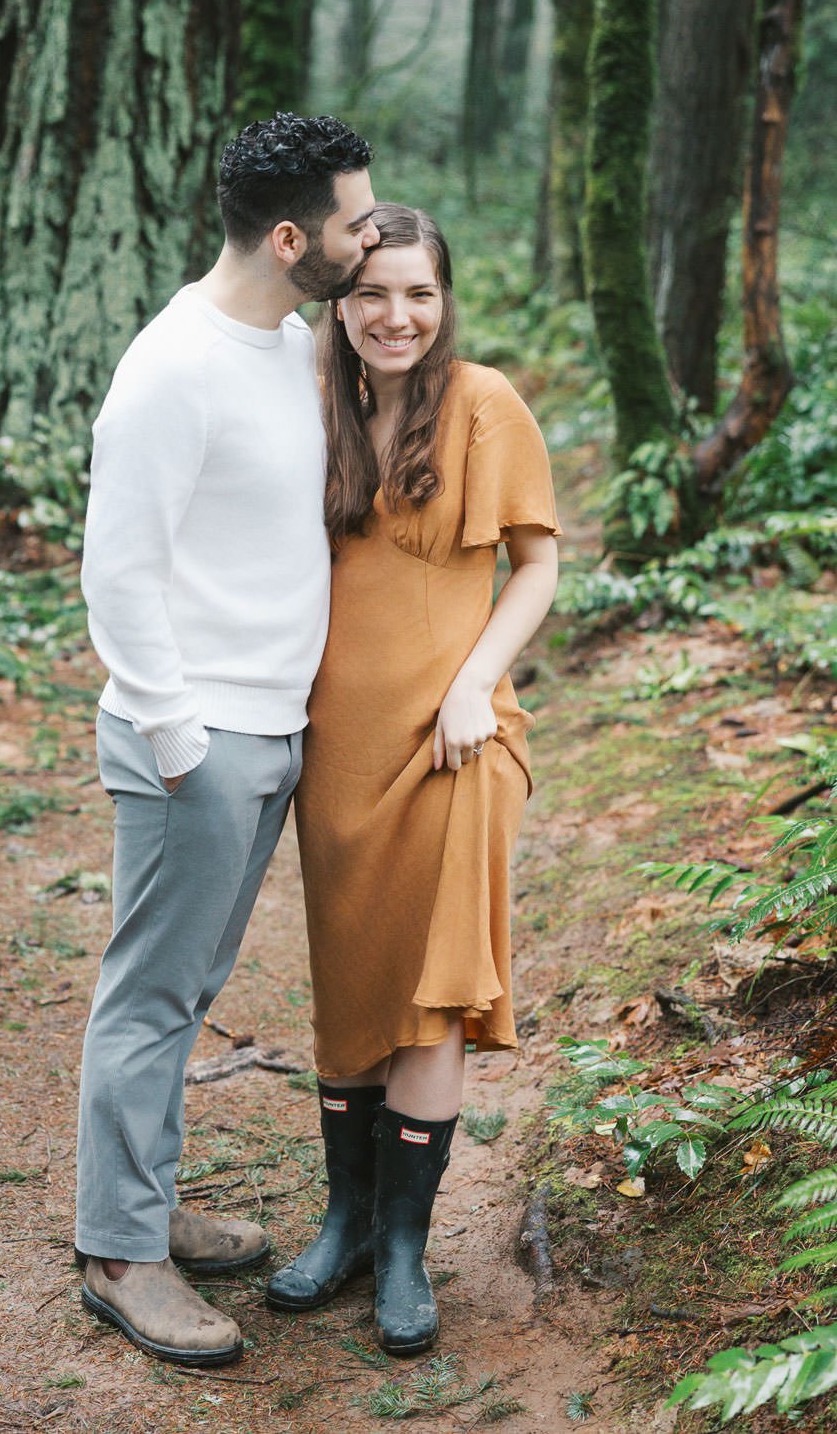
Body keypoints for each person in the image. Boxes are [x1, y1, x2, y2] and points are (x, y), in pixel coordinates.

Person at [76, 113, 378, 1367]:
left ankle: (146, 1206)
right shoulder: (171, 367)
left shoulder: (289, 337)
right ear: (293, 237)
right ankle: (120, 1257)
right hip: (196, 739)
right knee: (149, 998)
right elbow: (117, 569)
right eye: (357, 221)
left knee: (189, 990)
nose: (372, 236)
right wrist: (178, 736)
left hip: (271, 726)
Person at [266, 204, 561, 1355]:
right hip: (335, 743)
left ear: (445, 303)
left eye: (419, 294)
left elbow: (536, 566)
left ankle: (402, 1251)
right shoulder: (314, 406)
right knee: (352, 987)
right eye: (373, 294)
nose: (396, 316)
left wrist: (475, 683)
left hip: (457, 737)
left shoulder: (484, 403)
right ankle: (343, 1222)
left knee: (434, 987)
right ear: (339, 304)